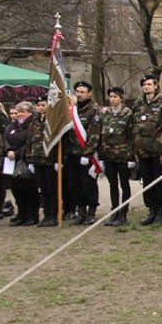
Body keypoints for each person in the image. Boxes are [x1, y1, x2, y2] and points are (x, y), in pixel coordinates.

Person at [131, 74, 162, 226]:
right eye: (144, 84)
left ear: (156, 86)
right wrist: (135, 148)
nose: (146, 86)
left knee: (159, 182)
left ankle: (160, 212)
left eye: (149, 84)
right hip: (142, 151)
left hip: (158, 150)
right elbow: (134, 126)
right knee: (147, 182)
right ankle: (151, 211)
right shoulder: (137, 103)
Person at [63, 81, 101, 225]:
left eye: (82, 92)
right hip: (72, 153)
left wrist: (88, 153)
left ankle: (91, 211)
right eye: (77, 91)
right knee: (74, 184)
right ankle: (81, 211)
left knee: (88, 184)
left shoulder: (93, 110)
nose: (79, 94)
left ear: (89, 93)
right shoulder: (72, 109)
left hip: (86, 154)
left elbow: (94, 134)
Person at [100, 87, 134, 227]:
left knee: (124, 185)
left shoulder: (127, 113)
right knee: (112, 184)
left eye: (115, 96)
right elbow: (102, 135)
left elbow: (131, 136)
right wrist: (101, 156)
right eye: (111, 96)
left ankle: (123, 213)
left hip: (123, 155)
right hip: (109, 155)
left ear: (121, 98)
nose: (112, 99)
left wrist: (131, 157)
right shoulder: (105, 113)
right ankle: (114, 211)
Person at [4, 102, 40, 226]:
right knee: (17, 190)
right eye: (18, 111)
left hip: (27, 161)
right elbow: (5, 140)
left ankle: (32, 215)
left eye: (22, 111)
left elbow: (31, 142)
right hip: (12, 162)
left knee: (30, 190)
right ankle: (21, 214)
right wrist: (8, 150)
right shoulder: (11, 127)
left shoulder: (33, 125)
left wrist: (18, 153)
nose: (19, 114)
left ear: (30, 112)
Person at [28, 95, 59, 227]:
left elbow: (59, 140)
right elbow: (30, 140)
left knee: (52, 189)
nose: (40, 108)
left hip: (50, 159)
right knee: (43, 189)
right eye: (38, 105)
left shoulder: (53, 120)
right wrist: (30, 158)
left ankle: (53, 215)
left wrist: (59, 160)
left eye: (43, 105)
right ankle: (46, 215)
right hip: (37, 158)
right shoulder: (34, 121)